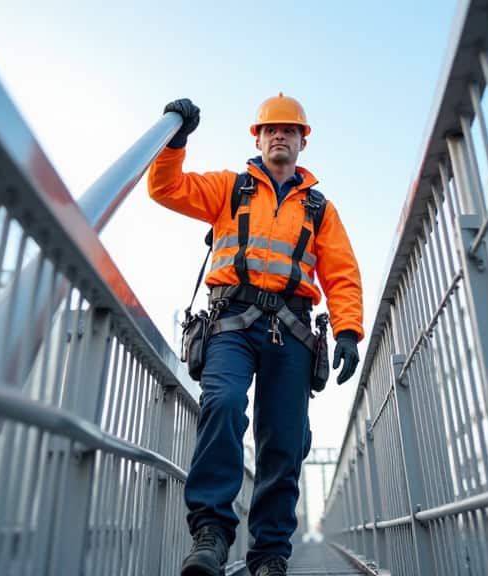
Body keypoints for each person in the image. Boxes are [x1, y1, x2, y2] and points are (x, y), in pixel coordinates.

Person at [148, 94, 364, 576]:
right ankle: (211, 533)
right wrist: (175, 143)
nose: (279, 135)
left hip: (291, 331)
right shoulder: (230, 189)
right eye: (271, 130)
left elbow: (342, 273)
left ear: (302, 141)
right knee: (222, 403)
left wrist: (348, 330)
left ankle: (270, 555)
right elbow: (166, 189)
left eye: (289, 130)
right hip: (231, 322)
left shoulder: (319, 209)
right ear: (258, 138)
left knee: (284, 442)